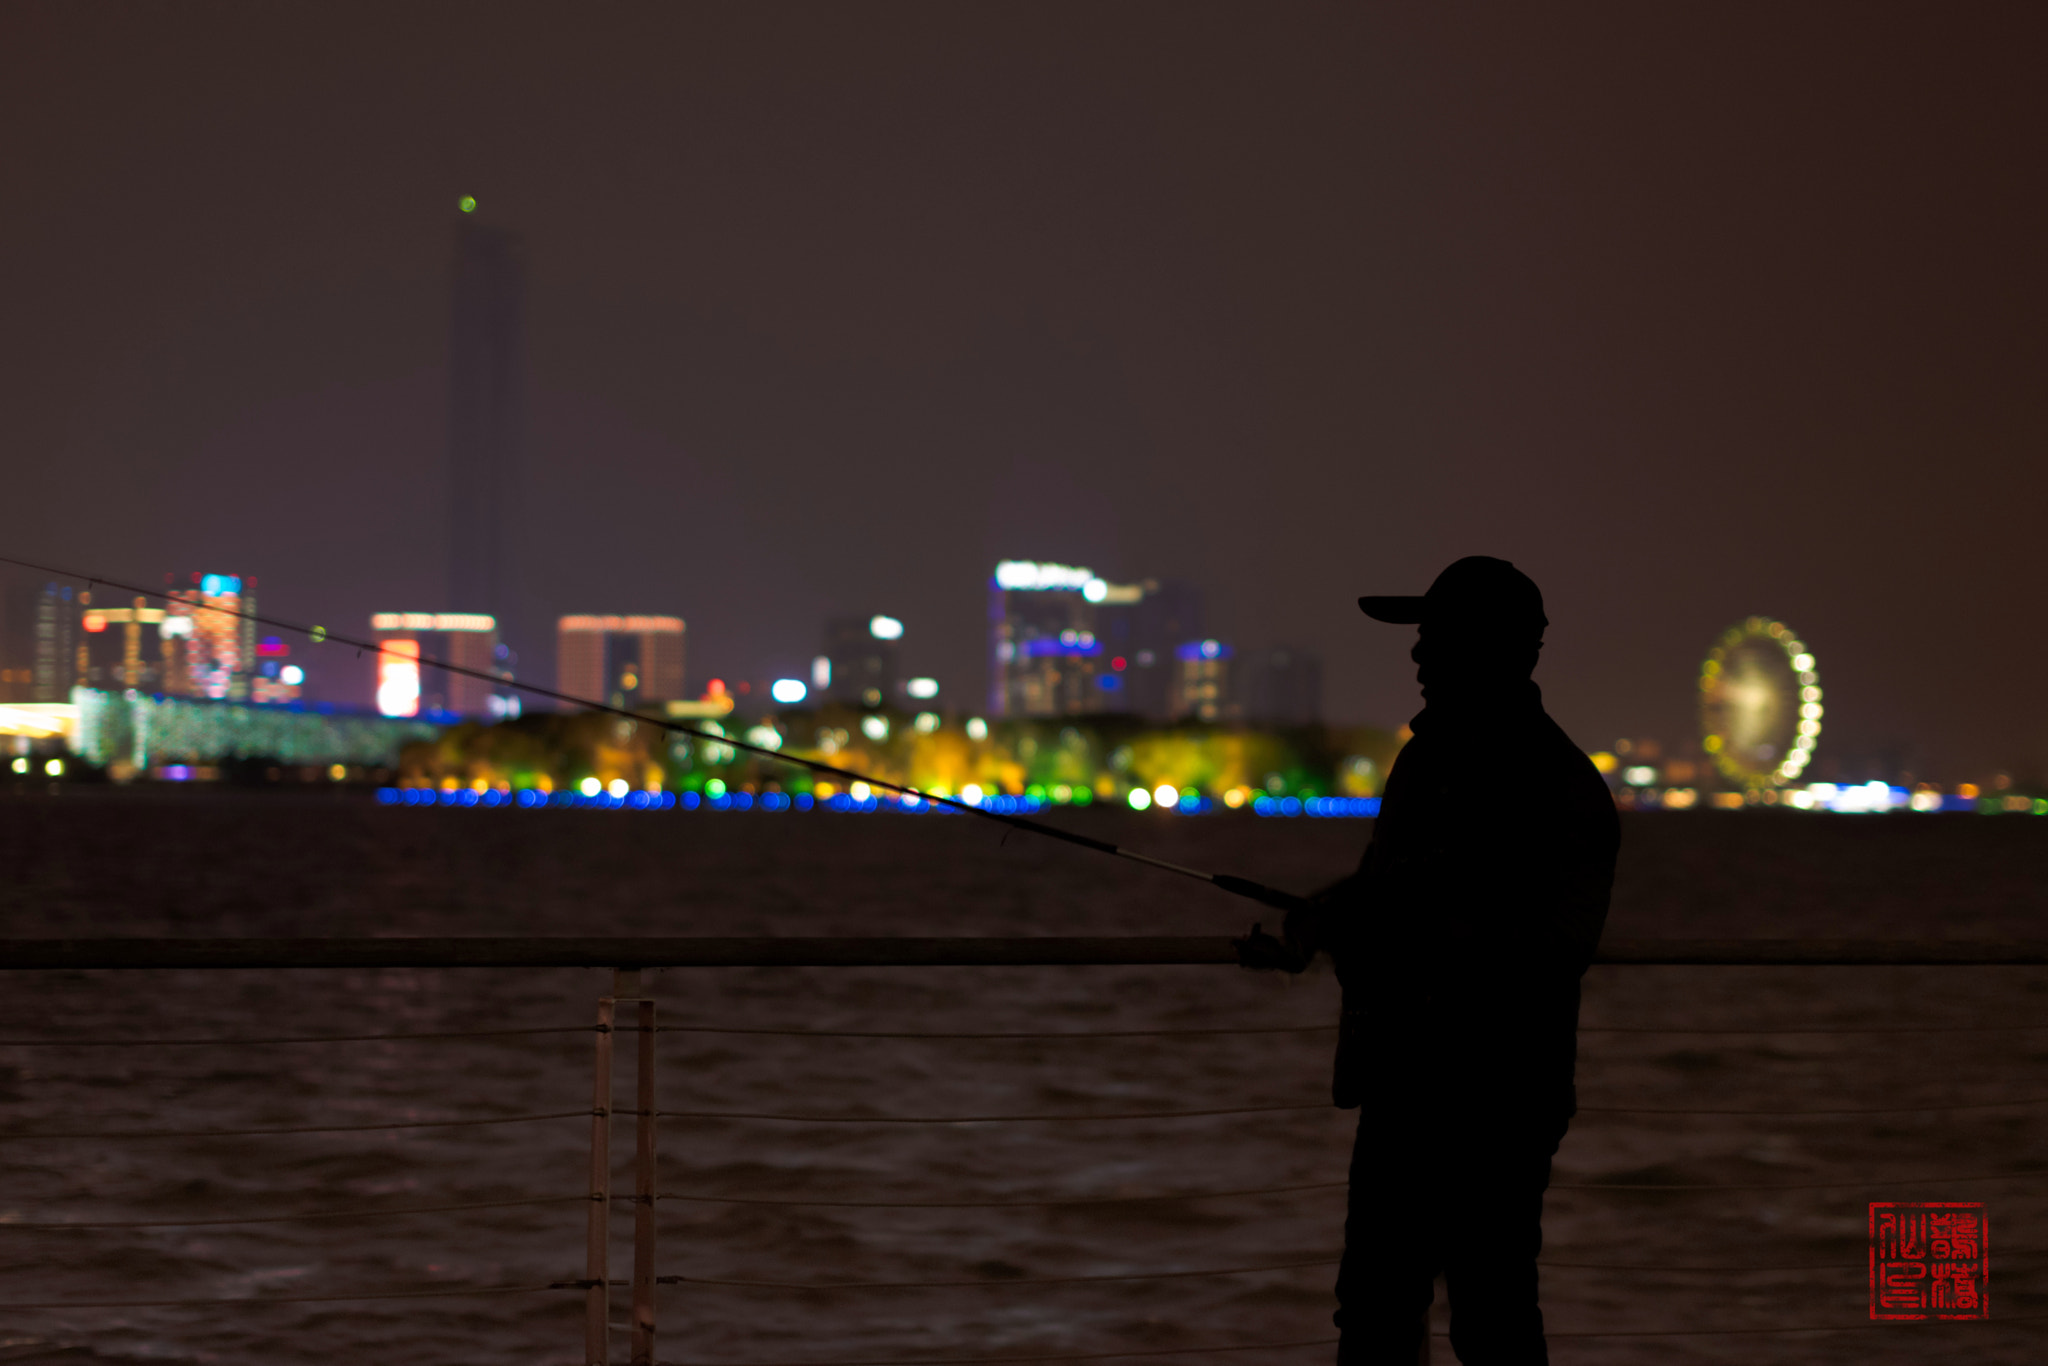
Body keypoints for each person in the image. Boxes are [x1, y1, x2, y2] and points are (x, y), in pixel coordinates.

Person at [1242, 556, 1618, 1365]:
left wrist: (1418, 932)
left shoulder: (1563, 786)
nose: (1416, 655)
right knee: (1374, 1311)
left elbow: (1557, 949)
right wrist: (1320, 920)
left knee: (1492, 1316)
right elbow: (1387, 885)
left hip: (1500, 1098)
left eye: (1433, 637)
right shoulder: (1425, 760)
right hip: (1403, 1083)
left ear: (1492, 648)